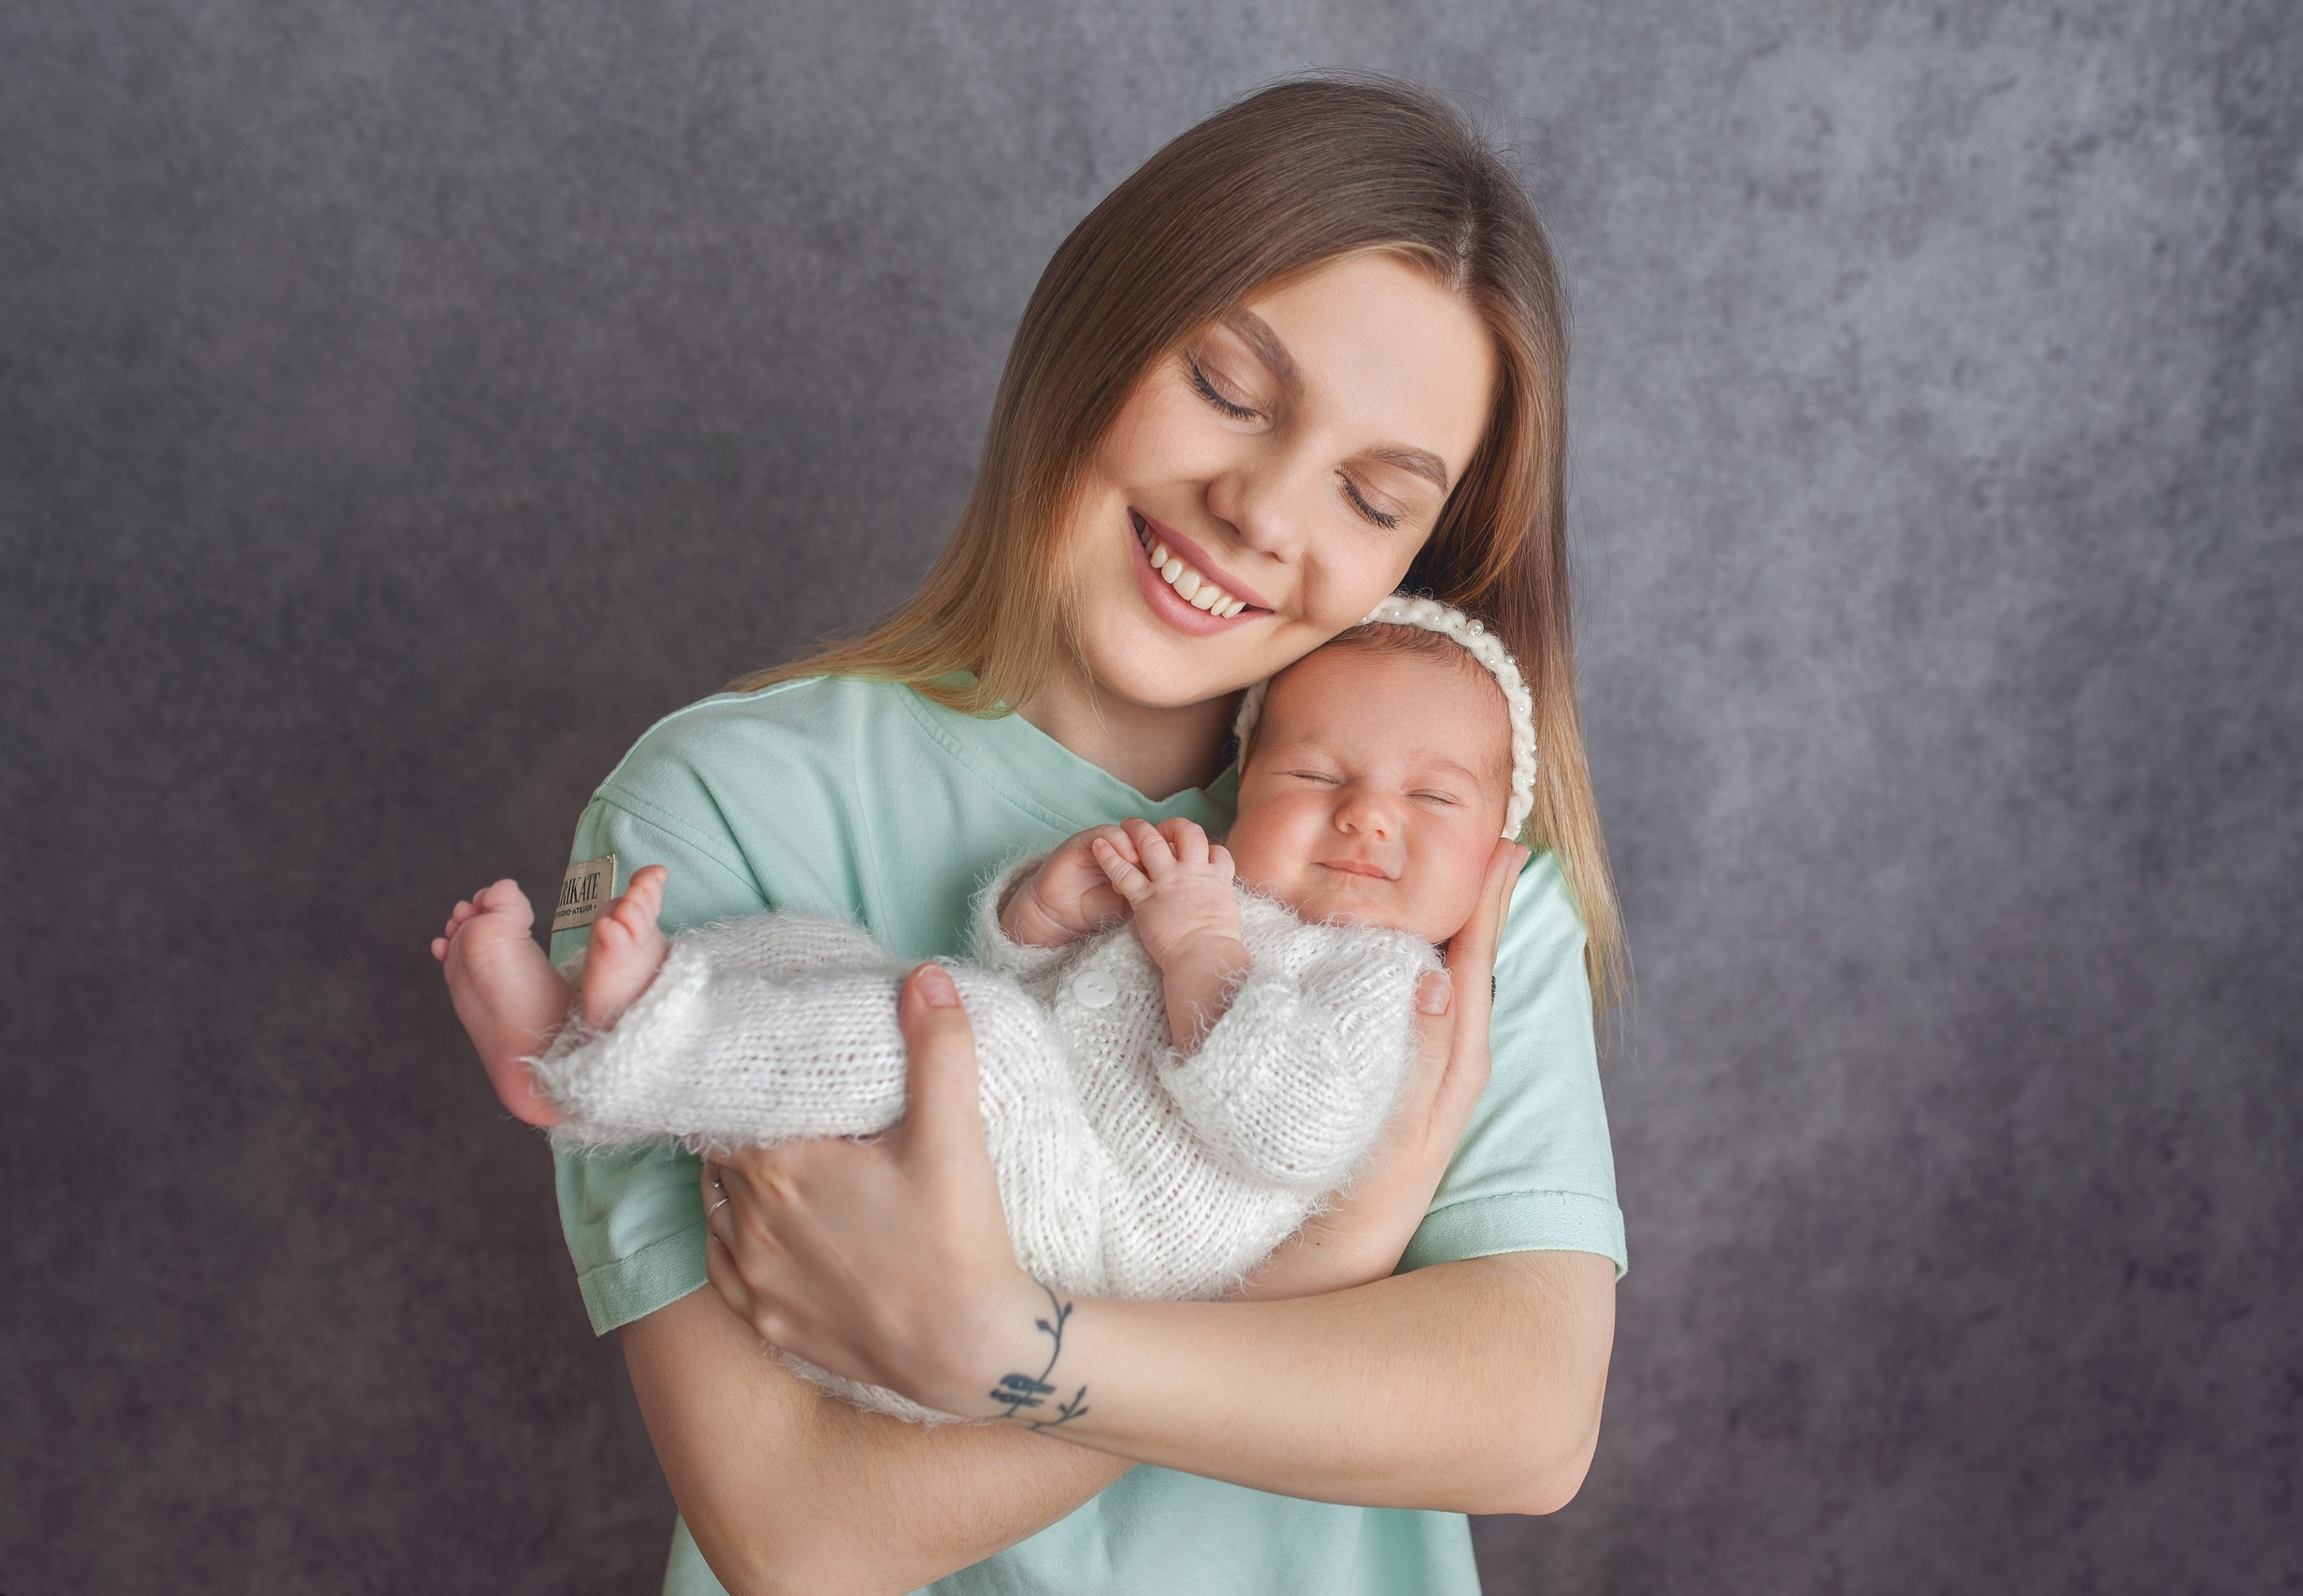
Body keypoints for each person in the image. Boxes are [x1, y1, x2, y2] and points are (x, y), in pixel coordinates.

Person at [456, 75, 1628, 1594]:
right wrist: (1325, 1263)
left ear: (1421, 553)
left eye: (1371, 493)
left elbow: (1528, 1417)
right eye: (1228, 387)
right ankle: (601, 1049)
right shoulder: (725, 803)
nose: (1265, 510)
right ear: (1094, 327)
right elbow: (802, 1530)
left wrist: (997, 1344)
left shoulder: (1427, 877)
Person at [436, 601, 1536, 1426]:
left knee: (968, 1035)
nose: (1366, 819)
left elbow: (1293, 1130)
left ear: (1495, 850)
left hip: (1080, 1271)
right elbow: (1037, 988)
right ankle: (605, 1024)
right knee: (839, 960)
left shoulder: (1386, 980)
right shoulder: (1208, 882)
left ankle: (597, 1066)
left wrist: (1199, 947)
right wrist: (1043, 913)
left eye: (1430, 797)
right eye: (1316, 776)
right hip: (898, 1252)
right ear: (1244, 786)